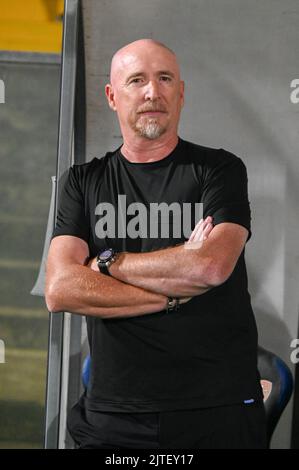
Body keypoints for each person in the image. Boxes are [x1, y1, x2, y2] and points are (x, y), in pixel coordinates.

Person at [45, 38, 267, 449]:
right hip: (113, 415)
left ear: (180, 93)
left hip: (217, 411)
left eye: (165, 78)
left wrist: (106, 262)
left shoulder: (218, 170)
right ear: (112, 96)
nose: (153, 91)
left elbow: (210, 267)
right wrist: (172, 293)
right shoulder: (83, 182)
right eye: (137, 80)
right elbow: (60, 290)